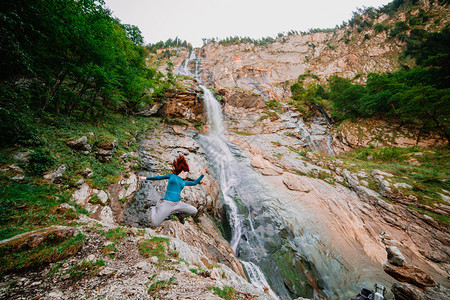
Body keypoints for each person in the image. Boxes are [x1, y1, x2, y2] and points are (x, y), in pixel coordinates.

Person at [139, 155, 207, 228]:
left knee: (194, 211)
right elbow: (159, 177)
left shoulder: (184, 182)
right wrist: (145, 178)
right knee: (155, 223)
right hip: (167, 203)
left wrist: (202, 175)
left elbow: (194, 183)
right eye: (187, 174)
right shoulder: (172, 176)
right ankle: (152, 206)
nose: (187, 176)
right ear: (183, 171)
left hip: (178, 204)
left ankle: (180, 216)